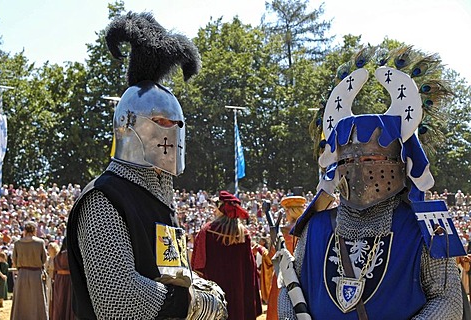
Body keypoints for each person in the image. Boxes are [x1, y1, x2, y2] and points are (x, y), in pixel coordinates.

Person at [277, 46, 467, 319]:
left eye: (370, 160)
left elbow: (446, 300)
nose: (357, 171)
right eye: (347, 162)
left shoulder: (427, 228)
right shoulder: (315, 228)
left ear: (399, 162)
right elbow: (291, 290)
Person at [67, 11, 226, 320]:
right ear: (131, 125)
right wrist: (196, 304)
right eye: (161, 122)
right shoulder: (104, 200)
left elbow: (169, 274)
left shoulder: (160, 199)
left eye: (177, 124)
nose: (172, 132)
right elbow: (119, 298)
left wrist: (196, 284)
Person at [191, 191, 262, 320]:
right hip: (238, 292)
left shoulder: (207, 231)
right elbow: (249, 268)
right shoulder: (243, 234)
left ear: (221, 207)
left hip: (213, 295)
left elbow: (198, 265)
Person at [266, 195, 306, 320]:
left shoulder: (282, 231)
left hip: (283, 277)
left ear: (289, 211)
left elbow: (271, 256)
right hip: (304, 275)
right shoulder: (308, 228)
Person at [10, 221, 48, 320]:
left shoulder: (18, 243)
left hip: (22, 274)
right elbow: (44, 259)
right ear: (34, 230)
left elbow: (14, 259)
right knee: (37, 300)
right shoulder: (40, 242)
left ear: (25, 230)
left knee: (21, 301)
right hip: (36, 274)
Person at [52, 238, 74, 320]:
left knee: (60, 303)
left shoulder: (57, 256)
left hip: (59, 281)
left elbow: (55, 271)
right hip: (69, 281)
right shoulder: (71, 256)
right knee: (68, 303)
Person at [45, 242, 60, 318]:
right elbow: (45, 270)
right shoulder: (48, 259)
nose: (48, 249)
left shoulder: (58, 258)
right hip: (49, 280)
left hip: (57, 280)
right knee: (48, 298)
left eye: (50, 248)